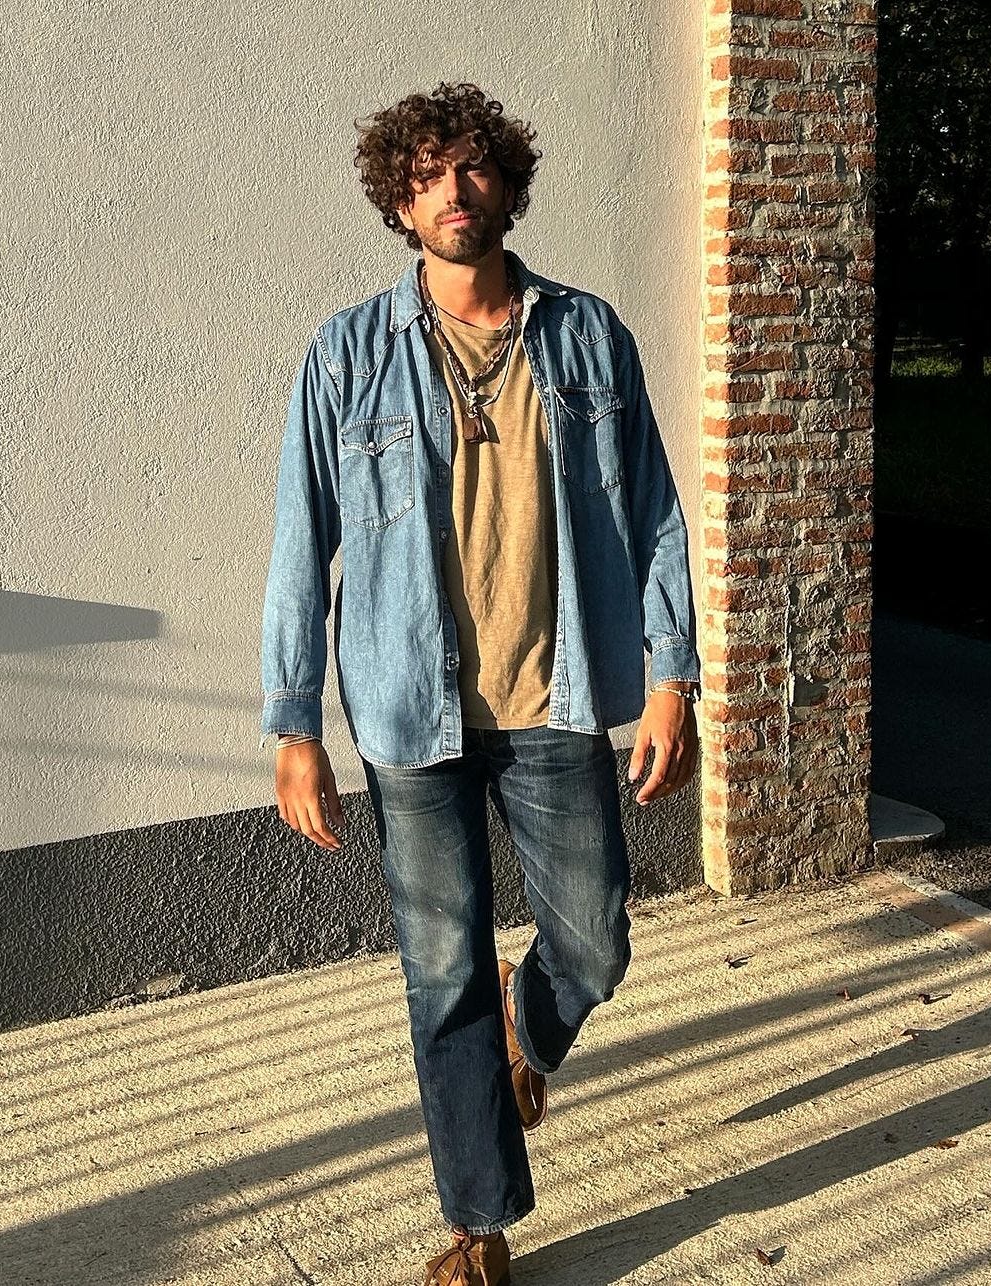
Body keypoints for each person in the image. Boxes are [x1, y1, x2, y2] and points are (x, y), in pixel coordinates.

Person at [260, 81, 701, 1286]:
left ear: (506, 181)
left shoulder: (589, 336)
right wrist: (292, 720)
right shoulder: (345, 354)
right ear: (399, 201)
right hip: (412, 711)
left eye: (474, 167)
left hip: (555, 696)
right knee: (439, 969)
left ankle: (536, 1024)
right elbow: (303, 540)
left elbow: (656, 513)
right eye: (428, 174)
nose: (455, 191)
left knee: (596, 940)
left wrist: (675, 677)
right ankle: (480, 1223)